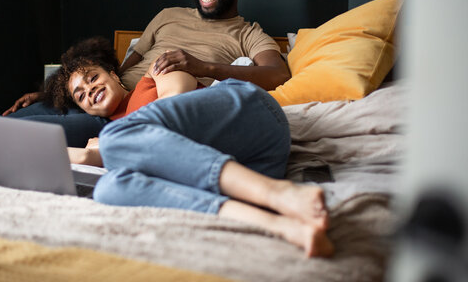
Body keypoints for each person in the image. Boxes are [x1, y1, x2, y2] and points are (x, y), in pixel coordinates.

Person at [46, 37, 333, 258]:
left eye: (93, 78)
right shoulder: (114, 138)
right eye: (80, 95)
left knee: (117, 139)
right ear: (84, 110)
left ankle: (280, 195)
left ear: (114, 74)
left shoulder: (155, 73)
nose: (90, 91)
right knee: (110, 189)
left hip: (252, 116)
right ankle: (280, 226)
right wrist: (92, 153)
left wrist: (105, 148)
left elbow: (174, 100)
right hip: (254, 167)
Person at [2, 0, 290, 147]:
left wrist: (204, 66)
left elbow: (277, 74)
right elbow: (123, 67)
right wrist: (51, 95)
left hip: (134, 113)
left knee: (16, 131)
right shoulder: (168, 15)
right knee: (20, 116)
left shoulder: (249, 34)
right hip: (103, 99)